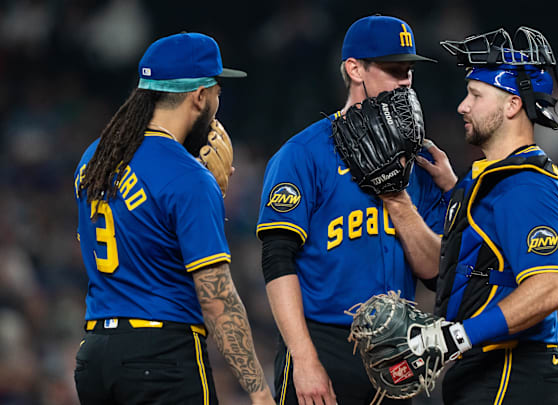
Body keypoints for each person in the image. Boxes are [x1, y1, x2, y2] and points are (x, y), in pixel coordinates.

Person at [256, 15, 454, 405]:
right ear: (354, 68)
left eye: (409, 71)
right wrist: (304, 359)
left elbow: (433, 271)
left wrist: (398, 201)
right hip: (322, 342)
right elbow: (277, 260)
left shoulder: (423, 162)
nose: (405, 82)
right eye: (393, 70)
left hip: (397, 350)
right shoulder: (303, 154)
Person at [73, 32, 274, 405]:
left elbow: (111, 239)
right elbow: (217, 299)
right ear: (199, 96)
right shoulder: (189, 178)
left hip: (95, 355)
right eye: (217, 92)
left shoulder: (93, 159)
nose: (218, 102)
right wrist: (259, 389)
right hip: (160, 358)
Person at [410, 27, 558, 404]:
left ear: (512, 105)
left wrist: (456, 336)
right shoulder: (495, 183)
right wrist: (456, 191)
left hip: (513, 376)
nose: (462, 106)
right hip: (490, 375)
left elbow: (552, 286)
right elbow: (479, 259)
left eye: (475, 94)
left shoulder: (527, 186)